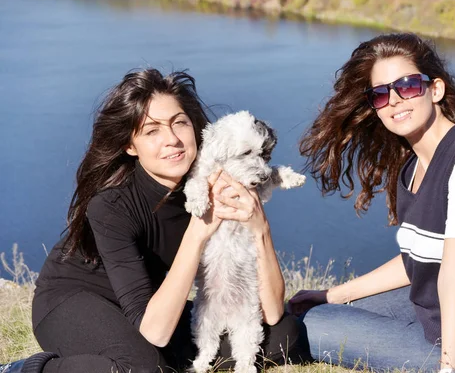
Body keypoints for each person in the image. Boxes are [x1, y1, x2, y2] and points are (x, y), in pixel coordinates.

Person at [0, 68, 306, 373]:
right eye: (152, 130)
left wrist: (259, 227)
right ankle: (24, 370)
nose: (171, 140)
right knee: (145, 369)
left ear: (196, 128)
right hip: (76, 300)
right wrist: (198, 232)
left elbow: (272, 312)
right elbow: (156, 332)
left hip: (151, 304)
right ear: (130, 146)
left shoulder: (219, 181)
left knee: (285, 336)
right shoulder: (111, 206)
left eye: (179, 123)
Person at [288, 33, 455, 373]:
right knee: (315, 310)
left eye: (406, 86)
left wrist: (451, 367)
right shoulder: (415, 164)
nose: (393, 100)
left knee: (308, 326)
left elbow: (452, 275)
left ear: (436, 89)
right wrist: (333, 293)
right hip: (433, 311)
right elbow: (416, 261)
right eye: (380, 93)